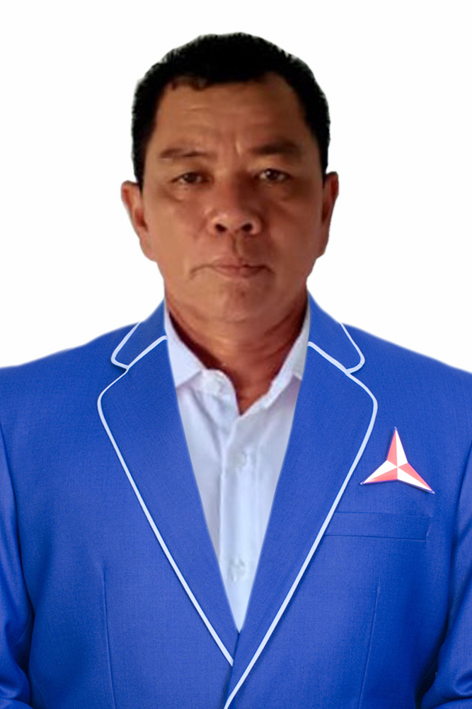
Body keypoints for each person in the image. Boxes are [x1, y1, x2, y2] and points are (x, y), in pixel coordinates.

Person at [1, 32, 471, 709]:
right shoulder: (17, 424)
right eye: (190, 177)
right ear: (139, 214)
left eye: (272, 174)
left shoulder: (454, 424)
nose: (233, 213)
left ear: (326, 206)